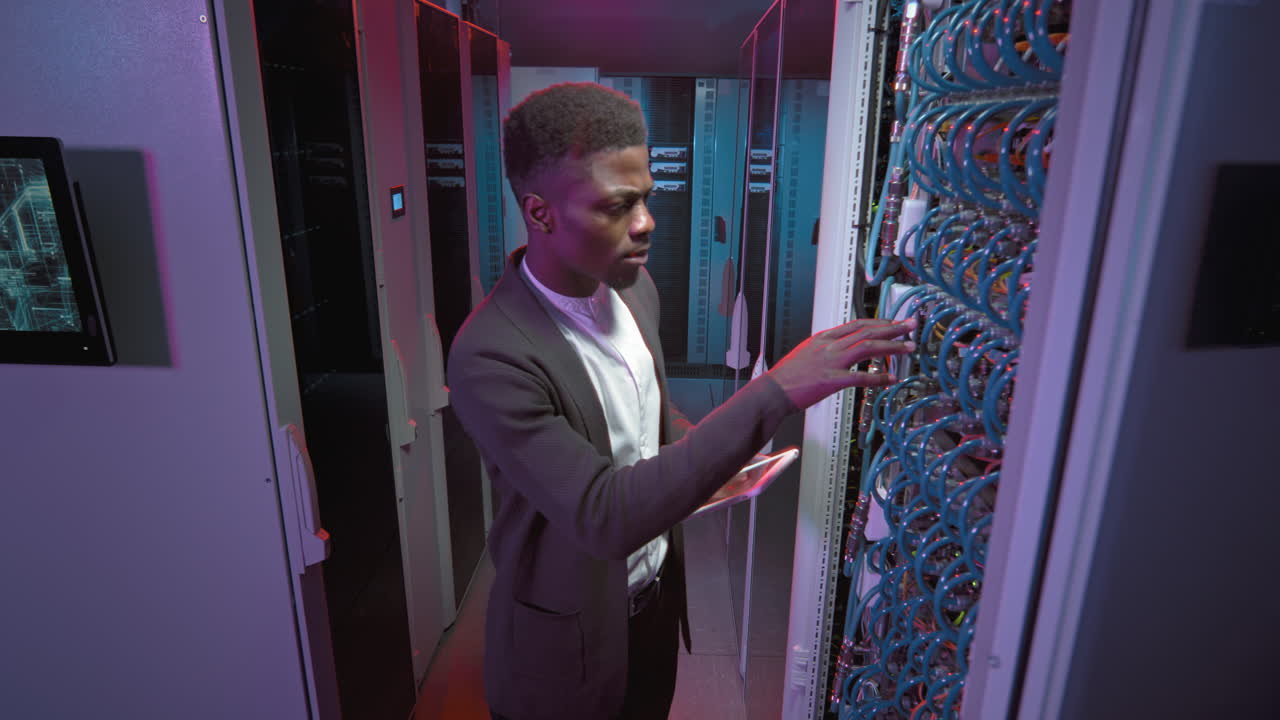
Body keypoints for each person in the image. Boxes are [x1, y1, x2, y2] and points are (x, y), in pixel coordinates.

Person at [446, 82, 915, 720]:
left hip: (653, 613)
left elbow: (651, 418)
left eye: (646, 199)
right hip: (565, 651)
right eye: (616, 206)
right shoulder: (491, 353)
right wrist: (773, 392)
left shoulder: (634, 291)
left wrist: (703, 456)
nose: (645, 224)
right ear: (541, 212)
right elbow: (603, 515)